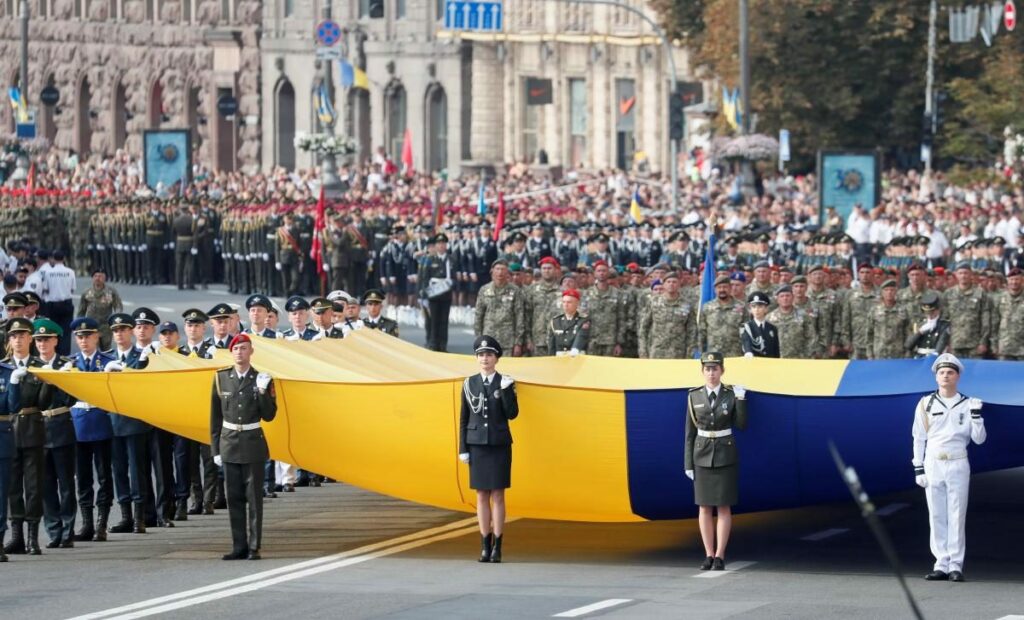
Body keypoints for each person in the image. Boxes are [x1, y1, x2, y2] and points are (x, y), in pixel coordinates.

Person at [912, 353, 986, 583]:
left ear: (958, 376)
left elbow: (979, 439)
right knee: (936, 514)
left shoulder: (967, 403)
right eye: (941, 373)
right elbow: (918, 437)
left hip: (957, 461)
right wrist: (918, 467)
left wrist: (976, 415)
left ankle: (955, 564)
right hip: (934, 461)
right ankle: (940, 563)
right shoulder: (926, 403)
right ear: (936, 377)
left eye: (950, 372)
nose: (945, 376)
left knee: (956, 514)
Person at [210, 333, 278, 561]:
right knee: (234, 498)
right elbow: (215, 417)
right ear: (232, 352)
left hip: (253, 444)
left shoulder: (263, 379)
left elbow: (269, 415)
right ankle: (238, 546)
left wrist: (261, 392)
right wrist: (215, 449)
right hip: (229, 444)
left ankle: (254, 547)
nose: (240, 352)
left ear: (251, 352)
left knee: (254, 500)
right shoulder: (221, 378)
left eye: (244, 348)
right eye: (236, 348)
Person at [685, 351, 748, 571]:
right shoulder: (694, 396)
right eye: (707, 369)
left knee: (723, 507)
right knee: (703, 507)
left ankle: (720, 555)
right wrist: (687, 464)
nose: (711, 373)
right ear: (702, 371)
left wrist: (741, 400)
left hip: (724, 454)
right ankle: (708, 554)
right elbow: (690, 433)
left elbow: (741, 424)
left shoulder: (730, 394)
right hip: (701, 455)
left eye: (715, 369)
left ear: (722, 370)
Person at [458, 336, 519, 563]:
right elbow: (463, 419)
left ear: (496, 358)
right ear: (476, 358)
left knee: (498, 495)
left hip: (499, 444)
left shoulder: (505, 382)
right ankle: (485, 545)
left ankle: (498, 546)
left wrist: (505, 392)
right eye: (481, 355)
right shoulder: (468, 383)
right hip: (477, 445)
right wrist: (463, 448)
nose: (485, 359)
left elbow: (512, 414)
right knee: (481, 495)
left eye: (489, 355)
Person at [68, 317, 118, 542]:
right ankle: (87, 523)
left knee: (104, 476)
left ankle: (102, 523)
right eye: (80, 337)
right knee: (83, 478)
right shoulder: (70, 363)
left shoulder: (107, 360)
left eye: (88, 335)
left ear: (97, 336)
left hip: (101, 423)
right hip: (79, 425)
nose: (84, 340)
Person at [32, 319, 78, 548]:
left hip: (61, 425)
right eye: (39, 340)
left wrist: (63, 378)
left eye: (46, 339)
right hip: (38, 429)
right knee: (45, 485)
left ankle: (68, 529)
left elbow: (72, 399)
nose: (42, 344)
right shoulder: (31, 367)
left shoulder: (65, 364)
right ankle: (54, 530)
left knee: (66, 483)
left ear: (56, 340)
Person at [77, 268, 123, 352]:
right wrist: (79, 326)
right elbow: (81, 311)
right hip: (91, 326)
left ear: (105, 278)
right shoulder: (87, 292)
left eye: (101, 276)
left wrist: (116, 323)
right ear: (92, 278)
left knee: (106, 350)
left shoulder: (111, 292)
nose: (98, 278)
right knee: (93, 349)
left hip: (106, 326)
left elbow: (118, 307)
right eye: (95, 276)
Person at [906, 291, 951, 358]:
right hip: (920, 358)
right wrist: (920, 332)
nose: (929, 315)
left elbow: (941, 343)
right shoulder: (919, 324)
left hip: (935, 358)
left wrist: (935, 355)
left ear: (937, 310)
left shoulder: (943, 325)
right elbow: (908, 345)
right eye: (927, 312)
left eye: (932, 312)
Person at [548, 288, 590, 356]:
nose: (566, 305)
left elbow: (581, 336)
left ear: (577, 303)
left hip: (577, 356)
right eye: (564, 302)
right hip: (559, 358)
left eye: (569, 302)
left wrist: (575, 350)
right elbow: (551, 345)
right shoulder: (555, 321)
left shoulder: (583, 320)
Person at [741, 291, 780, 358]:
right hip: (754, 365)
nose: (757, 310)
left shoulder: (772, 328)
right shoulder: (747, 327)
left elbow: (776, 351)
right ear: (750, 310)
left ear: (766, 309)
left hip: (770, 365)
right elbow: (747, 343)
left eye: (760, 306)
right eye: (754, 307)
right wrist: (748, 352)